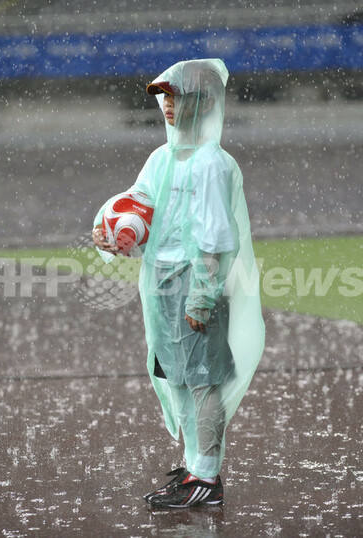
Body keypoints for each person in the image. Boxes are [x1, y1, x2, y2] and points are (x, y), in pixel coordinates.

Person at [92, 58, 264, 508]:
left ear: (205, 102)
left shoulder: (213, 164)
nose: (167, 105)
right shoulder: (162, 158)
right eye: (163, 96)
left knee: (204, 379)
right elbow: (140, 208)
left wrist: (203, 297)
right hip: (160, 285)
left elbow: (214, 239)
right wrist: (112, 236)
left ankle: (206, 477)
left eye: (177, 95)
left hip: (192, 284)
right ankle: (194, 468)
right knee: (178, 380)